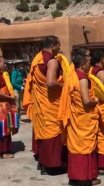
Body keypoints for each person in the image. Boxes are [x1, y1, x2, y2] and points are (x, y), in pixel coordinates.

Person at [23, 35, 66, 175]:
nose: (60, 48)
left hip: (40, 102)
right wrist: (64, 85)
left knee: (43, 134)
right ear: (53, 45)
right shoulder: (52, 61)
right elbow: (50, 82)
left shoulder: (37, 58)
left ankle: (42, 163)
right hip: (50, 103)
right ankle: (51, 167)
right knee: (52, 134)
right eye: (59, 45)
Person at [58, 48, 101, 186]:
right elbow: (86, 101)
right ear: (82, 64)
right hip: (83, 120)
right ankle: (86, 178)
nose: (90, 65)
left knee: (75, 147)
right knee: (85, 148)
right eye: (88, 62)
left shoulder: (72, 76)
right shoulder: (82, 78)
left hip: (76, 119)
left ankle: (75, 177)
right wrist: (97, 100)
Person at [0, 56, 17, 159]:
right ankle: (4, 151)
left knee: (5, 127)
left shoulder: (4, 75)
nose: (5, 65)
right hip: (1, 107)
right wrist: (10, 97)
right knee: (3, 127)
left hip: (4, 105)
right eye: (3, 63)